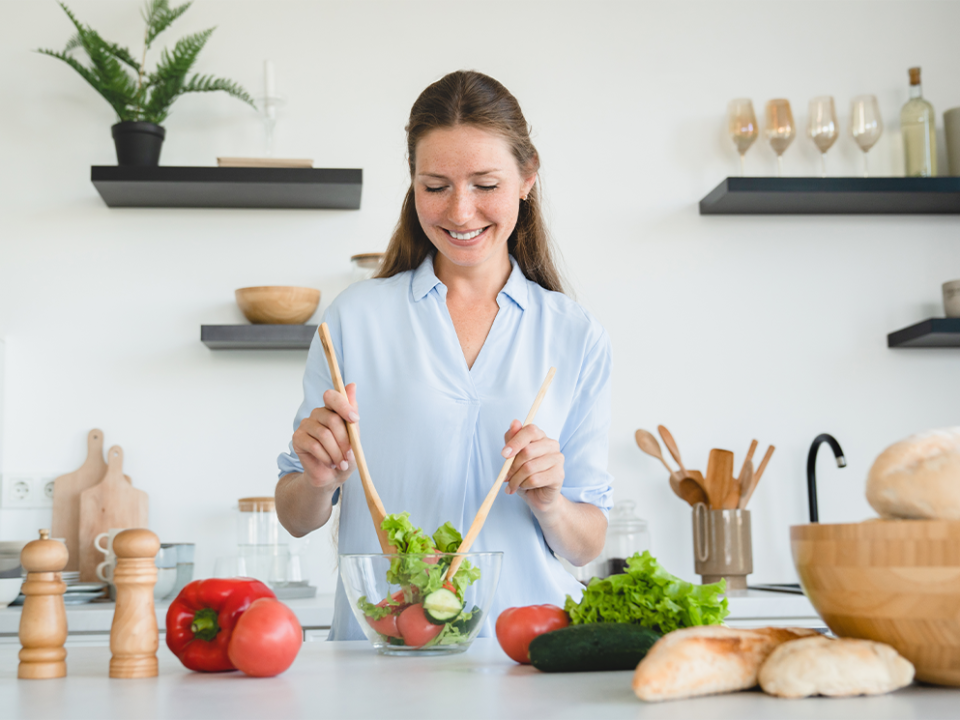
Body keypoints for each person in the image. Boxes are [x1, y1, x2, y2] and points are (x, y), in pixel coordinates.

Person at [276, 70, 613, 640]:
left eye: (486, 184)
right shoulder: (354, 320)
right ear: (412, 184)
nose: (460, 212)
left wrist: (552, 501)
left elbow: (585, 546)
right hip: (384, 655)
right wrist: (315, 478)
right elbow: (295, 517)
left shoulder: (573, 334)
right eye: (436, 186)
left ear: (527, 179)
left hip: (525, 655)